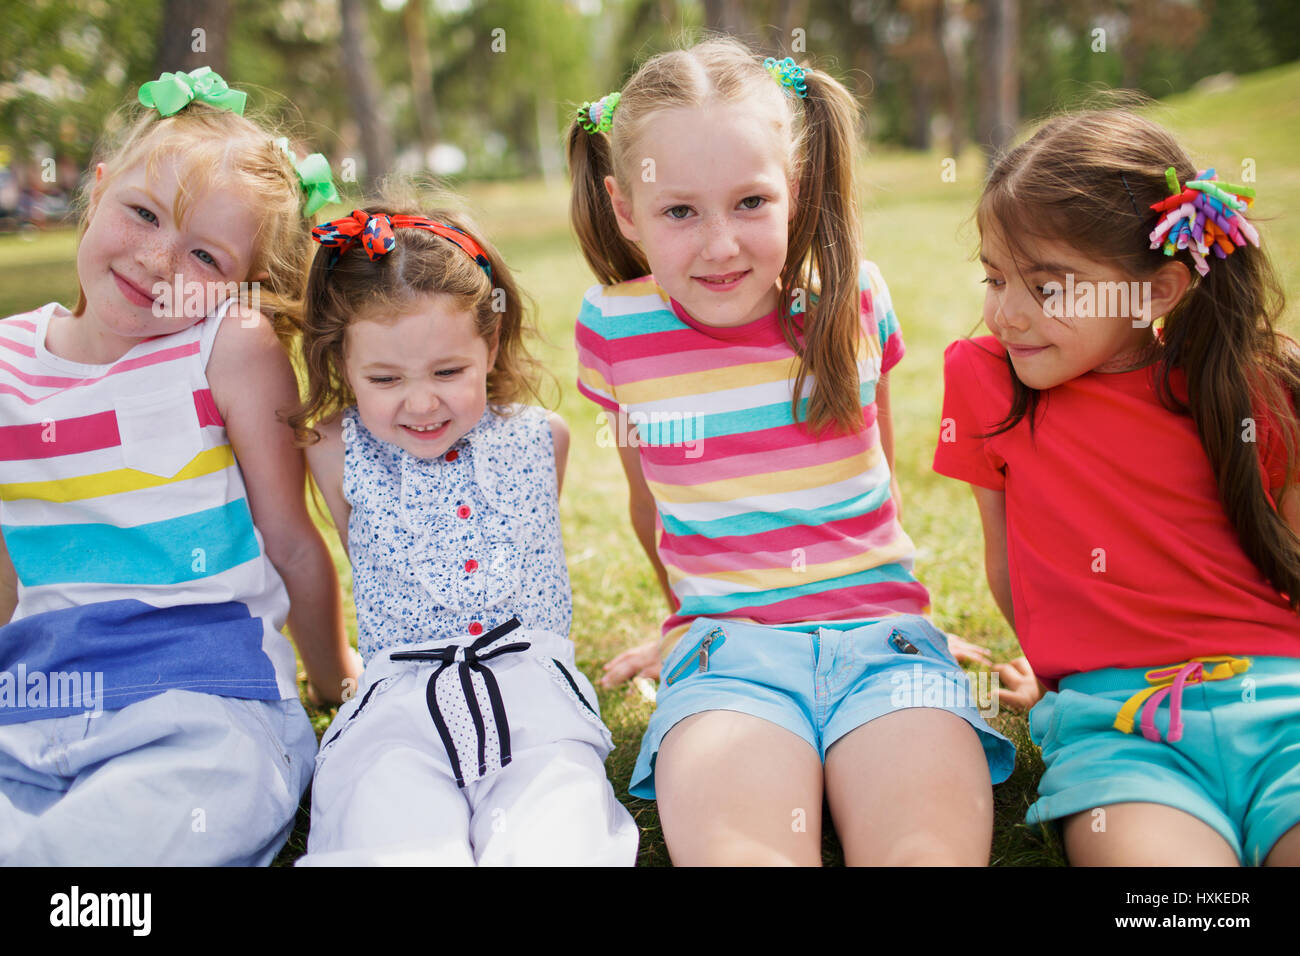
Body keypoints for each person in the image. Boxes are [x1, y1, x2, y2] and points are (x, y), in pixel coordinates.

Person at [568, 38, 1014, 866]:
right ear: (625, 209)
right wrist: (686, 618)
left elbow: (875, 480)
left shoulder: (852, 299)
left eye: (749, 202)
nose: (720, 244)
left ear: (795, 191)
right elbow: (650, 501)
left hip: (884, 646)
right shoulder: (614, 330)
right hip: (726, 655)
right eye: (679, 211)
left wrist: (902, 618)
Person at [0, 67, 357, 865]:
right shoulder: (6, 362)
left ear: (241, 287)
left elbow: (292, 542)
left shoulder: (228, 348)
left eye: (205, 255)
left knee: (175, 812)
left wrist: (334, 679)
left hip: (201, 697)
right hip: (34, 699)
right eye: (142, 213)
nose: (160, 261)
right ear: (97, 192)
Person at [933, 107, 1300, 866]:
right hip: (1124, 733)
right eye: (996, 278)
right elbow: (1012, 568)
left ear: (1158, 291)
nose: (1006, 313)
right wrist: (1067, 676)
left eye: (1048, 287)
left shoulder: (1253, 386)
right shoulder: (988, 383)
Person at [291, 195, 638, 866]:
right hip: (400, 705)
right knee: (390, 831)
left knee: (553, 834)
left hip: (533, 699)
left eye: (449, 372)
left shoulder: (542, 439)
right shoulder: (332, 450)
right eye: (385, 378)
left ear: (492, 343)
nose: (421, 402)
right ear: (341, 364)